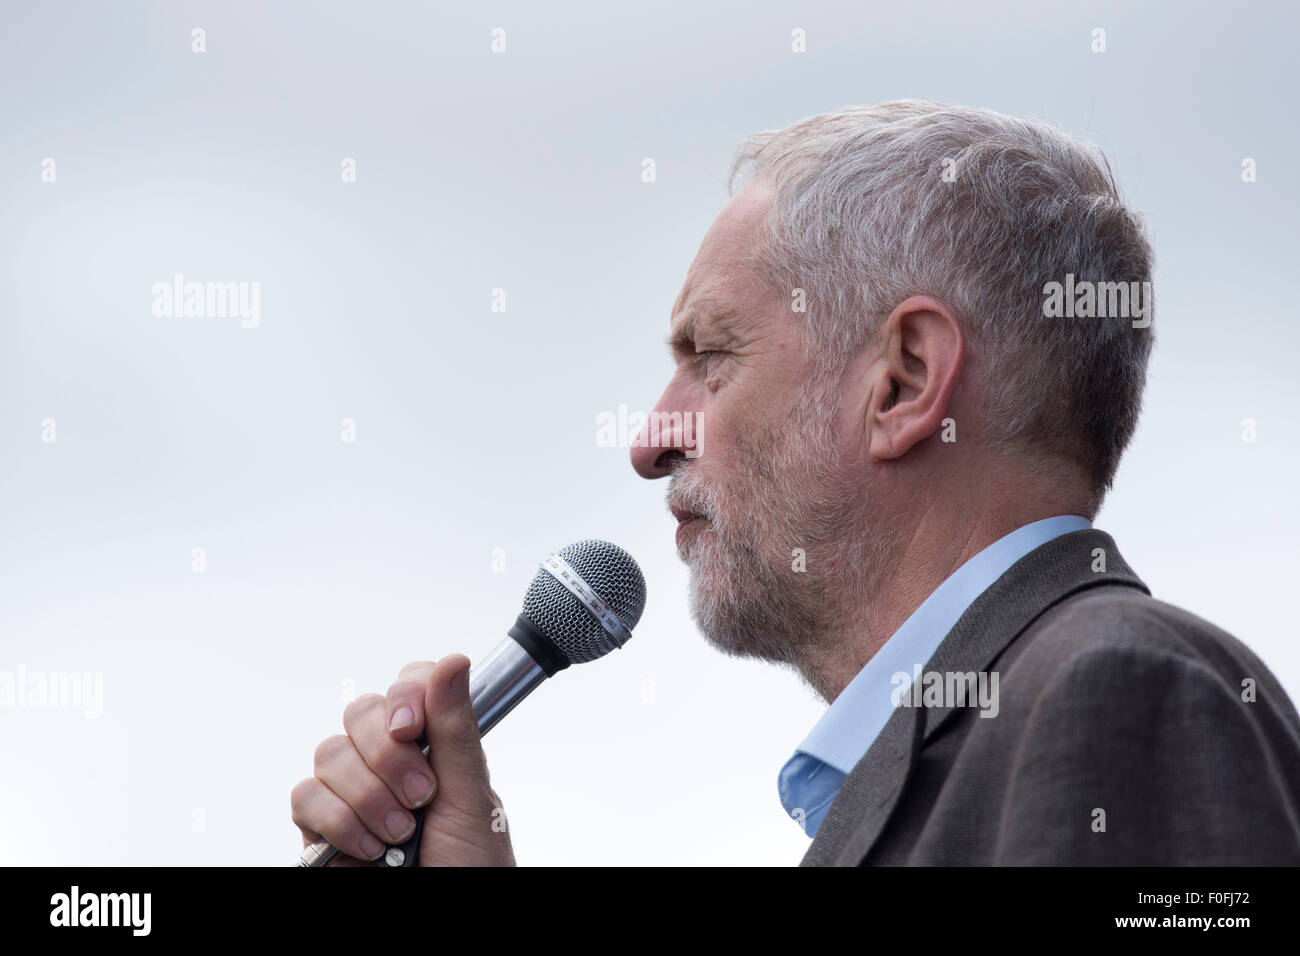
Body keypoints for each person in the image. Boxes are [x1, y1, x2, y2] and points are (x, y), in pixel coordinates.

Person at [291, 101, 1300, 866]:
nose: (650, 439)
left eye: (712, 354)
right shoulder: (967, 736)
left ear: (902, 382)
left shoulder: (1116, 692)